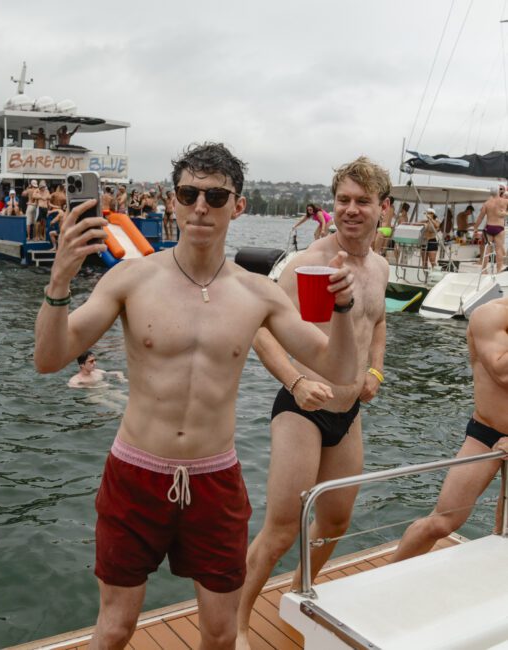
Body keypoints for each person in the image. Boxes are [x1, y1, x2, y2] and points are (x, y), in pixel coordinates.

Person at [34, 142, 359, 650]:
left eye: (215, 195)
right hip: (135, 474)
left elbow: (338, 368)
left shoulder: (256, 293)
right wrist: (59, 282)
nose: (201, 206)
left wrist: (343, 311)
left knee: (219, 632)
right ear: (172, 201)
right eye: (189, 194)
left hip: (214, 480)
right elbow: (50, 359)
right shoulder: (132, 278)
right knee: (115, 628)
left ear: (238, 205)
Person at [237, 156, 390, 649]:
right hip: (302, 407)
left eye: (362, 201)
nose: (351, 210)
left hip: (349, 411)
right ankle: (236, 623)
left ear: (381, 208)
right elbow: (259, 328)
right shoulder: (309, 264)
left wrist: (374, 371)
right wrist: (296, 382)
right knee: (282, 527)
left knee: (338, 518)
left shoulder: (381, 267)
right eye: (342, 200)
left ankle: (300, 588)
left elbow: (378, 324)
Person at [391, 296, 508, 562]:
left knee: (505, 531)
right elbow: (502, 372)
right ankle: (381, 580)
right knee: (442, 522)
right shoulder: (490, 315)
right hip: (486, 434)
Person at [473, 186, 508, 272]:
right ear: (498, 192)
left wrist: (475, 228)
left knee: (487, 250)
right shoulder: (505, 201)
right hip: (499, 228)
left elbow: (480, 217)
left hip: (489, 228)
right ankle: (498, 270)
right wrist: (506, 213)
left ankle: (484, 270)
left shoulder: (487, 203)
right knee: (499, 249)